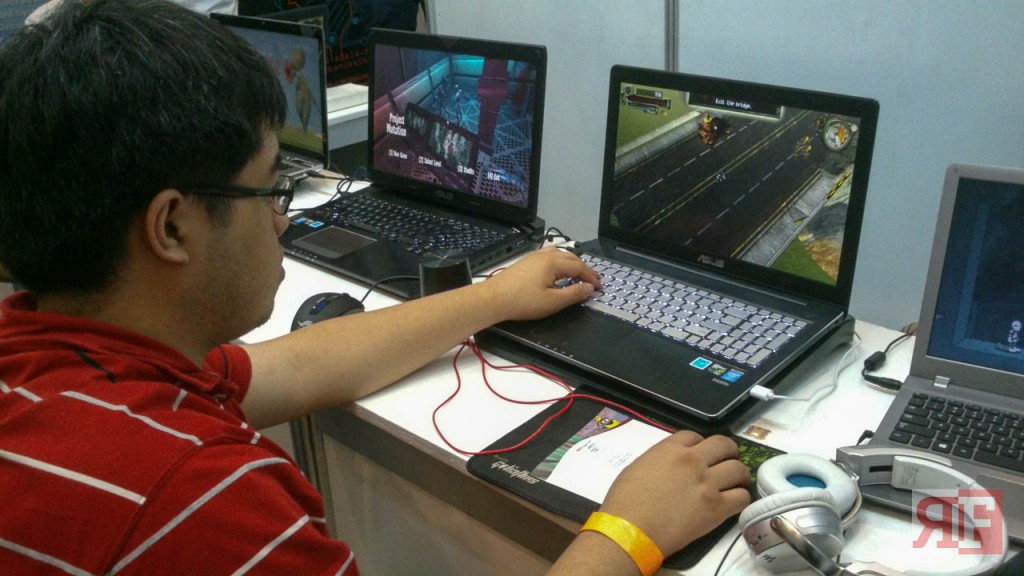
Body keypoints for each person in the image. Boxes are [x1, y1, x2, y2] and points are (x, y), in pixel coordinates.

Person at [0, 1, 752, 574]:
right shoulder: (200, 500)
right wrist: (627, 533)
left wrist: (493, 297)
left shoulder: (49, 360)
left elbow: (293, 365)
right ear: (171, 227)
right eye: (271, 188)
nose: (283, 219)